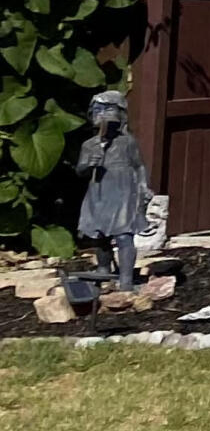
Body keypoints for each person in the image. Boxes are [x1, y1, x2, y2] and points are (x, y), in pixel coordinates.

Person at [71, 90, 151, 293]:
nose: (103, 114)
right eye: (98, 109)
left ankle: (125, 278)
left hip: (124, 192)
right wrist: (90, 163)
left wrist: (143, 186)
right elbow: (80, 170)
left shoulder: (127, 142)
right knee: (100, 236)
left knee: (124, 235)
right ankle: (103, 268)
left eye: (108, 109)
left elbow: (138, 166)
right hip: (99, 192)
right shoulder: (89, 145)